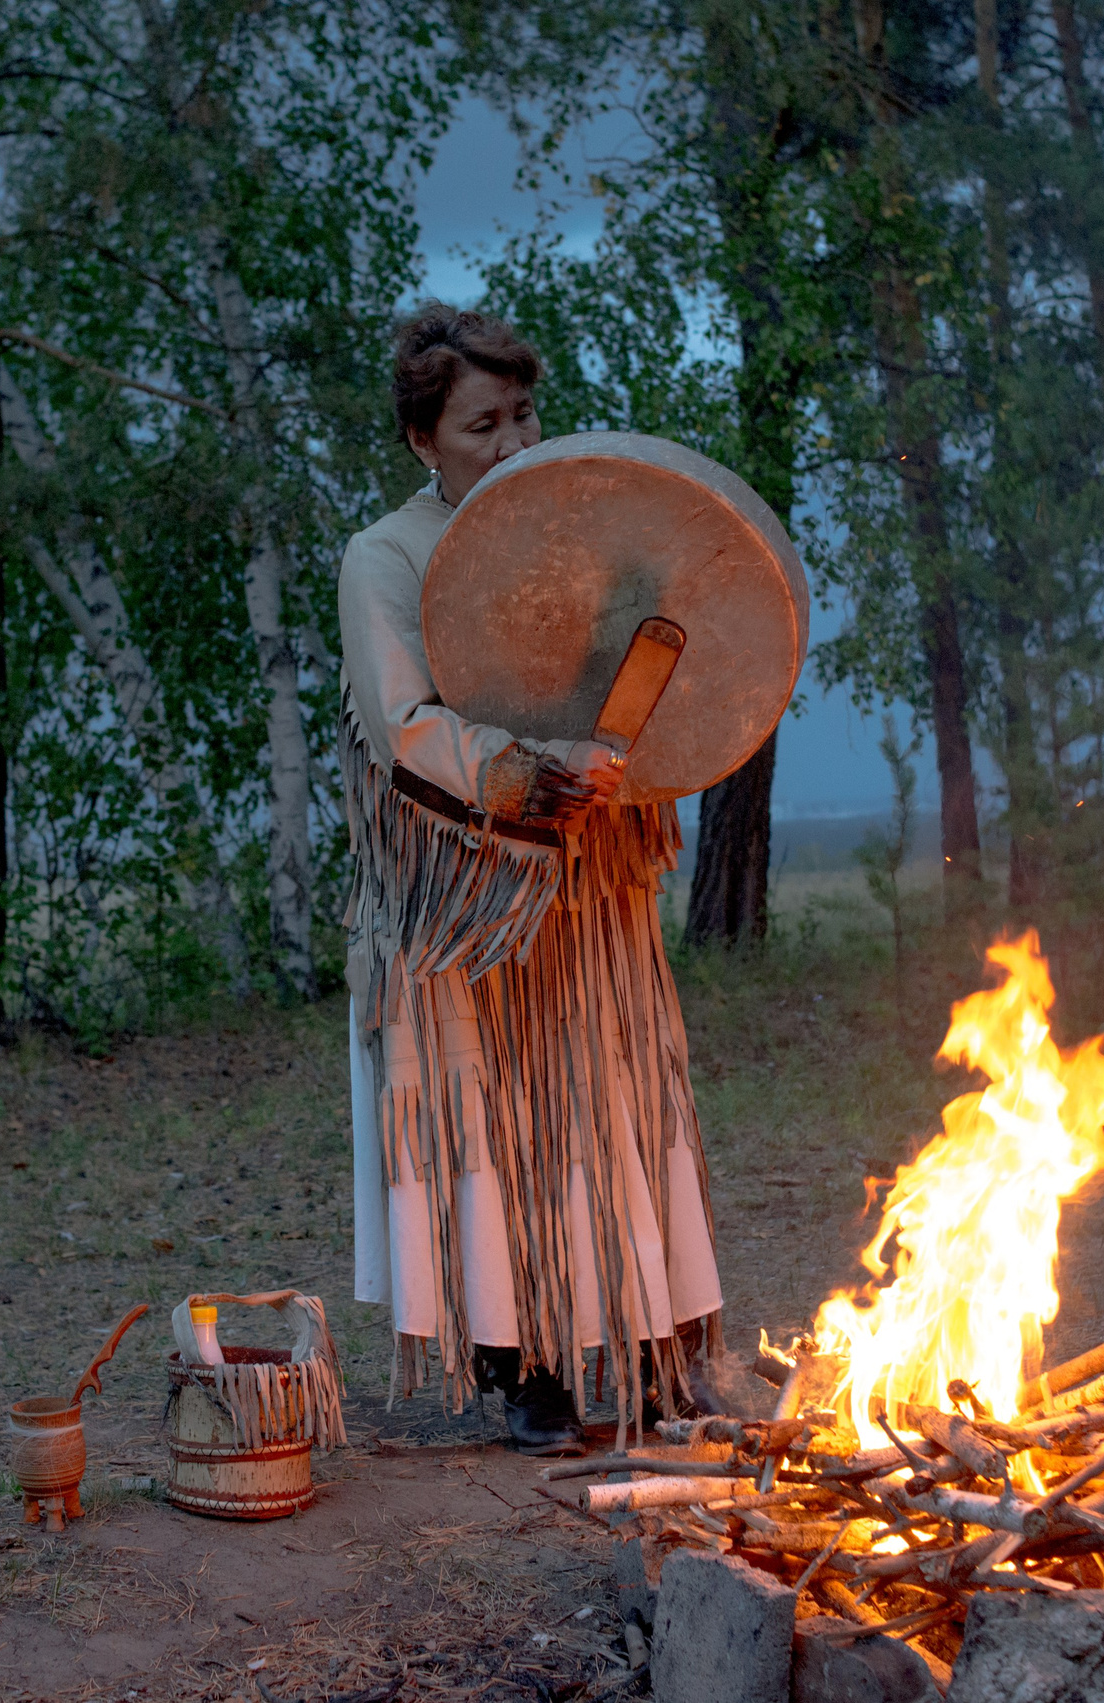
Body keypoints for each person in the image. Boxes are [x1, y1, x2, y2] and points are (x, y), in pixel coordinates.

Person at [339, 304, 724, 1455]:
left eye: (522, 416)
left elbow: (654, 675)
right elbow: (399, 723)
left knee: (613, 1098)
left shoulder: (583, 531)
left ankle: (662, 1352)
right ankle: (529, 1372)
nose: (510, 445)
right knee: (488, 1114)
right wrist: (518, 776)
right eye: (479, 424)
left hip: (592, 884)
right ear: (422, 439)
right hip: (468, 900)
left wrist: (625, 756)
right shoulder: (387, 556)